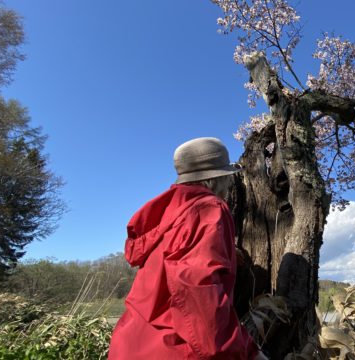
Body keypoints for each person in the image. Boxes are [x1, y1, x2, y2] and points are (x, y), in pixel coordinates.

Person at [108, 137, 266, 359]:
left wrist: (226, 250)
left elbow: (176, 260)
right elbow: (199, 290)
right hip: (173, 349)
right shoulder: (210, 209)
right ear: (216, 178)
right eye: (227, 177)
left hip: (131, 344)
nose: (230, 184)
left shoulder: (169, 212)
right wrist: (247, 352)